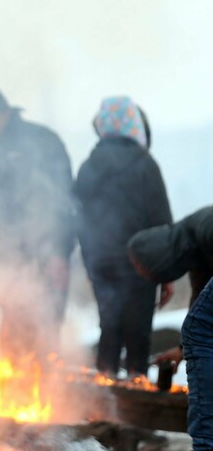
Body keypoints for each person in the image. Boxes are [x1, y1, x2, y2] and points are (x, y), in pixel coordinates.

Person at [0, 78, 75, 358]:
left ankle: (50, 394)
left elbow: (65, 204)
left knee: (45, 329)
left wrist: (59, 254)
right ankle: (16, 396)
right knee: (13, 335)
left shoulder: (44, 142)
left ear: (6, 112)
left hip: (45, 254)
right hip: (6, 259)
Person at [75, 96, 173, 378]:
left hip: (102, 265)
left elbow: (79, 221)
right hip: (141, 264)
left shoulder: (88, 167)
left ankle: (104, 400)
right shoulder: (145, 164)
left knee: (110, 327)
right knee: (138, 331)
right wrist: (167, 274)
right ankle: (136, 390)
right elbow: (161, 221)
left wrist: (90, 263)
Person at [127, 206, 213, 450]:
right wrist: (182, 350)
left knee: (198, 329)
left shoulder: (203, 227)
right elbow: (201, 298)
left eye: (144, 268)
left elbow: (202, 324)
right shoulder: (195, 246)